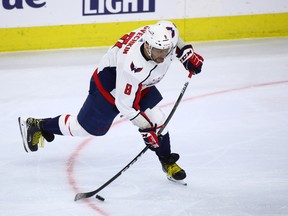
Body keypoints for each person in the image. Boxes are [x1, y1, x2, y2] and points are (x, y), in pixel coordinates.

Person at [18, 20, 204, 182]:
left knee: (158, 119)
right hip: (110, 87)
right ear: (147, 45)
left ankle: (168, 162)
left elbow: (175, 38)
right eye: (157, 51)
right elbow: (126, 106)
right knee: (82, 128)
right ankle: (38, 125)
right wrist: (146, 130)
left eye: (166, 50)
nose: (162, 56)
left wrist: (185, 52)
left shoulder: (164, 32)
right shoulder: (132, 67)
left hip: (141, 85)